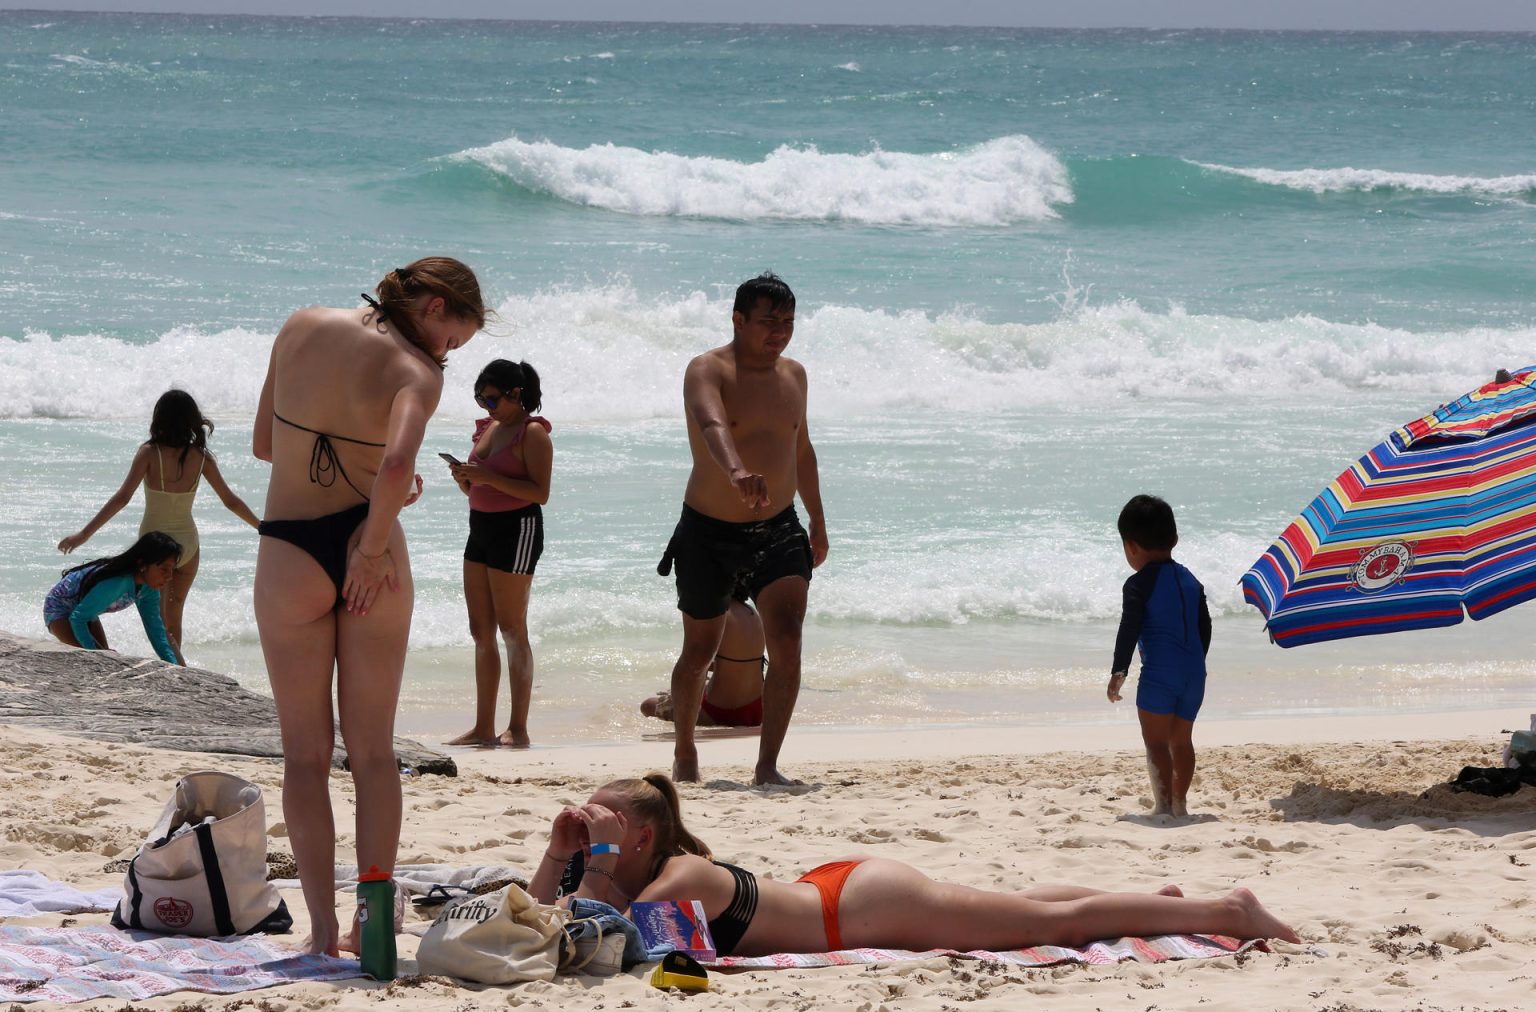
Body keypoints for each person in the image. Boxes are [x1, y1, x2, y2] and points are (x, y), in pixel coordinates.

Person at [253, 257, 484, 956]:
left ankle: (321, 931)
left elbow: (266, 443)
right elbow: (392, 466)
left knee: (304, 756)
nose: (446, 354)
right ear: (434, 307)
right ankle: (374, 927)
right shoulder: (418, 372)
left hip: (290, 551)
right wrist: (373, 546)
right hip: (368, 553)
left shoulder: (298, 327)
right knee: (374, 754)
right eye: (453, 339)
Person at [529, 774, 1299, 957]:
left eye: (604, 816)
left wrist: (590, 865)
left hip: (861, 907)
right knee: (1017, 904)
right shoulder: (620, 873)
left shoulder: (679, 878)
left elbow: (648, 953)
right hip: (842, 891)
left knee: (1046, 921)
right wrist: (557, 854)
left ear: (638, 836)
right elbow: (540, 927)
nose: (588, 818)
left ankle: (1227, 911)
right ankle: (1148, 900)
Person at [656, 272, 827, 785]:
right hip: (709, 530)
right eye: (768, 321)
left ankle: (768, 765)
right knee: (699, 651)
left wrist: (817, 519)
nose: (780, 332)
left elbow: (801, 448)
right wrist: (734, 471)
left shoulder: (795, 375)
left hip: (779, 528)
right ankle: (685, 752)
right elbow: (711, 425)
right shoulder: (708, 369)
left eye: (788, 322)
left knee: (789, 637)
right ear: (738, 319)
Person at [57, 389, 261, 652]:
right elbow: (230, 500)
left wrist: (84, 534)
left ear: (160, 419)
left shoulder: (149, 453)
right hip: (189, 545)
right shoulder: (201, 457)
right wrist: (260, 526)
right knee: (174, 618)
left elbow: (122, 498)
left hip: (155, 550)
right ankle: (180, 670)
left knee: (161, 622)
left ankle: (179, 672)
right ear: (191, 420)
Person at [445, 359, 553, 749]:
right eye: (480, 399)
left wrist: (489, 477)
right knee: (480, 631)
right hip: (481, 528)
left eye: (491, 399)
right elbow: (479, 490)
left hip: (517, 529)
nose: (485, 407)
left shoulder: (533, 434)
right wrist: (466, 480)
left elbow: (540, 492)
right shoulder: (488, 428)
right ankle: (482, 726)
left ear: (515, 394)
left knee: (511, 629)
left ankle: (518, 728)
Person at [1107, 494, 1212, 818]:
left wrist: (1119, 670)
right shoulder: (1191, 580)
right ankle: (1181, 803)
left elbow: (1130, 626)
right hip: (1194, 675)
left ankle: (1164, 805)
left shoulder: (1138, 584)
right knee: (1182, 741)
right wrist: (1195, 663)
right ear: (1174, 539)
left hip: (1159, 676)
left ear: (1131, 547)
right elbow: (1204, 627)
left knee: (1155, 742)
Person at [44, 531, 184, 665]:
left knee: (104, 656)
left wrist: (174, 666)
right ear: (142, 565)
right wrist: (96, 654)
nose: (170, 576)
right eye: (164, 569)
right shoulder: (117, 583)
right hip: (59, 607)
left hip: (85, 611)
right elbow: (78, 619)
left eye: (172, 569)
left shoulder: (149, 589)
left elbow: (156, 631)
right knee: (93, 658)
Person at [642, 592, 765, 728]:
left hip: (720, 712)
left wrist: (677, 698)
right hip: (757, 707)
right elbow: (734, 663)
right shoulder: (751, 612)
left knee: (647, 705)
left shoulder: (716, 613)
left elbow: (698, 665)